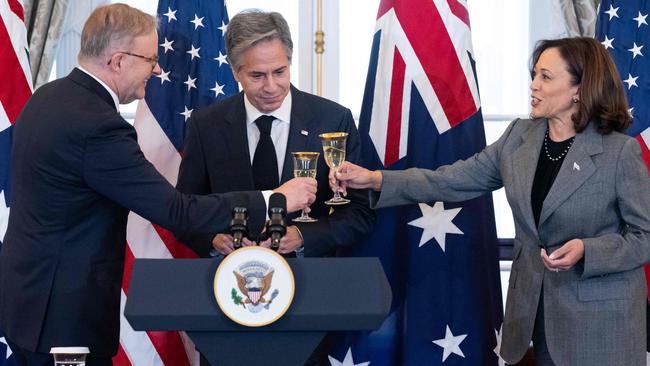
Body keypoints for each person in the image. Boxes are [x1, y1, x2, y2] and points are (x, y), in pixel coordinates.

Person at [0, 4, 316, 366]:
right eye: (151, 58)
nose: (158, 68)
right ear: (119, 61)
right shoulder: (97, 125)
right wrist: (273, 198)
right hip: (65, 321)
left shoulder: (49, 97)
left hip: (29, 303)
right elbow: (176, 209)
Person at [330, 37, 650, 366]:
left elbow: (645, 237)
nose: (534, 86)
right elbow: (449, 180)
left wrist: (588, 250)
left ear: (579, 90)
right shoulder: (518, 138)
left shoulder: (618, 152)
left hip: (601, 325)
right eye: (534, 75)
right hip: (537, 318)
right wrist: (376, 179)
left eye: (546, 77)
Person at [176, 9, 374, 258]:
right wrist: (212, 239)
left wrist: (303, 237)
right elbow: (184, 210)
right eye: (257, 75)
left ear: (289, 62)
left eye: (279, 72)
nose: (271, 87)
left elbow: (360, 212)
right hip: (231, 277)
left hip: (310, 278)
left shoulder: (333, 120)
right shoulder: (206, 124)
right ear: (235, 71)